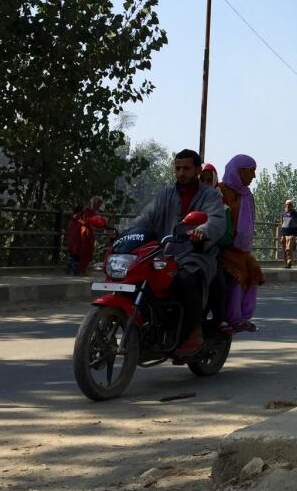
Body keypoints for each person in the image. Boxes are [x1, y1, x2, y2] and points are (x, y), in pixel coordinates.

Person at [126, 149, 225, 356]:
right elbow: (146, 218)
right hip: (164, 253)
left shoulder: (210, 195)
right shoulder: (165, 194)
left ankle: (196, 332)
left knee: (184, 278)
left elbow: (216, 220)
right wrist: (125, 235)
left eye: (186, 168)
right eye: (178, 168)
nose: (181, 173)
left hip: (196, 254)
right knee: (136, 275)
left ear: (198, 170)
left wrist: (201, 231)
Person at [217, 154, 264, 334]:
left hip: (241, 249)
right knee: (236, 271)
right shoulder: (220, 190)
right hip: (223, 246)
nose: (253, 176)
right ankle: (232, 317)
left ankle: (243, 315)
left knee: (253, 270)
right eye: (251, 171)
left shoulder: (247, 195)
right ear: (240, 171)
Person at [65, 195, 104, 275]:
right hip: (81, 236)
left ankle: (73, 270)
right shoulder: (85, 214)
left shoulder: (80, 217)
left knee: (75, 252)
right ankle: (77, 270)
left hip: (80, 235)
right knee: (80, 252)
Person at [279, 200, 297, 268]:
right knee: (284, 249)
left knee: (288, 248)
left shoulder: (295, 214)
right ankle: (286, 263)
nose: (288, 205)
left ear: (292, 205)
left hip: (292, 233)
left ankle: (289, 261)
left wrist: (296, 229)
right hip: (284, 233)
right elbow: (281, 222)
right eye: (287, 204)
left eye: (289, 204)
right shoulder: (283, 213)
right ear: (285, 205)